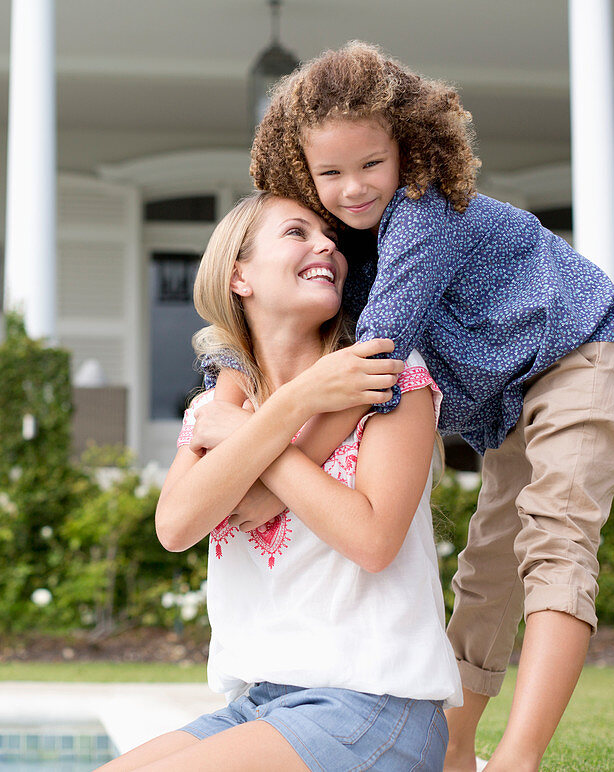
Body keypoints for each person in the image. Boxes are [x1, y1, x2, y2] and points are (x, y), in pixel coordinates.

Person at [224, 41, 614, 772]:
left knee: (556, 542)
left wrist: (273, 466)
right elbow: (313, 351)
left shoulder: (424, 212)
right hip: (517, 393)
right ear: (303, 170)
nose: (353, 188)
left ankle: (517, 758)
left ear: (409, 148)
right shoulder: (349, 252)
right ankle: (456, 751)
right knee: (489, 563)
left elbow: (374, 365)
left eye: (370, 165)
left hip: (584, 353)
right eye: (330, 173)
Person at [99, 191, 460, 771]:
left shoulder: (386, 379)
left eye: (331, 239)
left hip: (372, 702)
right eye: (298, 232)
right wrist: (292, 406)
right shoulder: (216, 410)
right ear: (239, 274)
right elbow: (174, 526)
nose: (326, 246)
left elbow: (373, 541)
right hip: (258, 706)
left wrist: (264, 428)